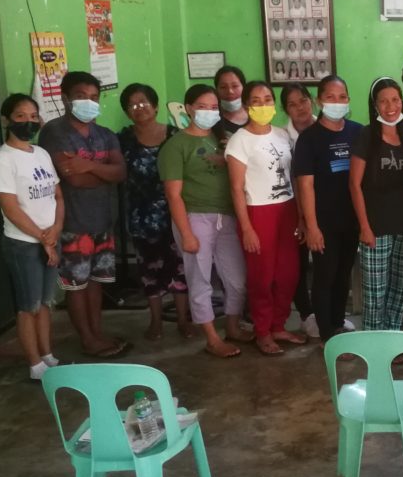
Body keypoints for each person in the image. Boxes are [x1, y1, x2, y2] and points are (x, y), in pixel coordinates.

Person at [38, 70, 128, 358]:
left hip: (103, 220)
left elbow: (120, 172)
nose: (88, 102)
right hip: (72, 223)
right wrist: (103, 173)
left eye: (93, 98)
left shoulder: (105, 135)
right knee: (77, 285)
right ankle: (87, 339)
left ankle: (97, 332)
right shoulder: (54, 132)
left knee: (97, 282)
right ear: (65, 98)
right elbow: (72, 180)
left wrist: (87, 166)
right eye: (81, 97)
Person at [159, 84, 251, 358]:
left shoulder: (221, 138)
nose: (209, 112)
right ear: (188, 109)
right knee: (200, 279)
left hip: (227, 217)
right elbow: (173, 195)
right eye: (202, 106)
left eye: (214, 108)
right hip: (195, 217)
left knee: (237, 279)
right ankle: (211, 338)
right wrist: (186, 233)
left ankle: (232, 326)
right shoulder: (176, 145)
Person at [225, 80, 304, 355]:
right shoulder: (239, 141)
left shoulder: (283, 135)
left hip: (288, 210)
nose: (263, 105)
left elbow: (294, 176)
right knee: (262, 277)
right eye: (256, 101)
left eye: (268, 99)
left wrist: (302, 216)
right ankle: (262, 331)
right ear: (247, 106)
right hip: (258, 213)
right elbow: (236, 188)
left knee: (288, 274)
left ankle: (279, 324)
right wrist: (246, 228)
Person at [0, 93, 64, 380]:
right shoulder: (3, 159)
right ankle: (34, 364)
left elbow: (57, 194)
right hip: (22, 244)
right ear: (7, 120)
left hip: (49, 240)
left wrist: (55, 230)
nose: (29, 122)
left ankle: (47, 355)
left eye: (34, 116)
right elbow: (10, 208)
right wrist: (43, 238)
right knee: (28, 305)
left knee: (45, 303)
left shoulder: (41, 153)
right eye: (21, 116)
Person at [117, 83, 192, 342]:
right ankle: (156, 322)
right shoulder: (123, 139)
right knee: (149, 271)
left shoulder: (174, 134)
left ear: (156, 106)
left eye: (144, 103)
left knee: (179, 268)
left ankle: (183, 320)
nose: (139, 108)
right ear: (127, 112)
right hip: (141, 215)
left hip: (175, 211)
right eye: (133, 105)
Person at [294, 75, 363, 342]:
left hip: (351, 220)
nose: (337, 102)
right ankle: (326, 335)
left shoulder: (357, 132)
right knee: (325, 276)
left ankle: (337, 321)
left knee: (343, 273)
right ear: (319, 100)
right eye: (330, 97)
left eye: (342, 97)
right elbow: (305, 186)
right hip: (323, 222)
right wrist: (311, 226)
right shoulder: (309, 139)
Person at [349, 78, 403, 333]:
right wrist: (364, 227)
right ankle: (373, 341)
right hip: (375, 227)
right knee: (375, 291)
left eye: (396, 100)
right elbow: (354, 185)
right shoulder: (366, 136)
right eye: (383, 101)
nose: (391, 106)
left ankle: (393, 337)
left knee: (400, 287)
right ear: (375, 105)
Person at [282, 82, 320, 339]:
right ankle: (306, 314)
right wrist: (301, 217)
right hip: (292, 209)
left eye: (303, 100)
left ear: (312, 101)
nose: (300, 108)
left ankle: (325, 313)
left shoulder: (327, 127)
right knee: (297, 264)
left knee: (323, 262)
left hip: (324, 208)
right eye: (292, 104)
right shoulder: (280, 137)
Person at [214, 66, 249, 147]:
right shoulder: (212, 119)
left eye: (235, 86)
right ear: (216, 90)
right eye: (223, 87)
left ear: (244, 87)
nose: (230, 91)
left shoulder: (256, 115)